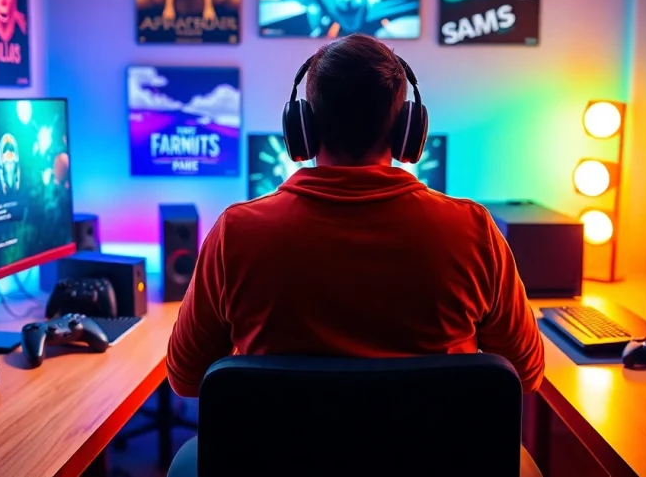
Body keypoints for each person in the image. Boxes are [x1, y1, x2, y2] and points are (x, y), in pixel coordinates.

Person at [166, 34, 546, 405]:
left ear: (303, 128)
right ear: (407, 129)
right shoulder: (473, 231)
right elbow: (527, 373)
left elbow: (185, 377)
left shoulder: (235, 234)